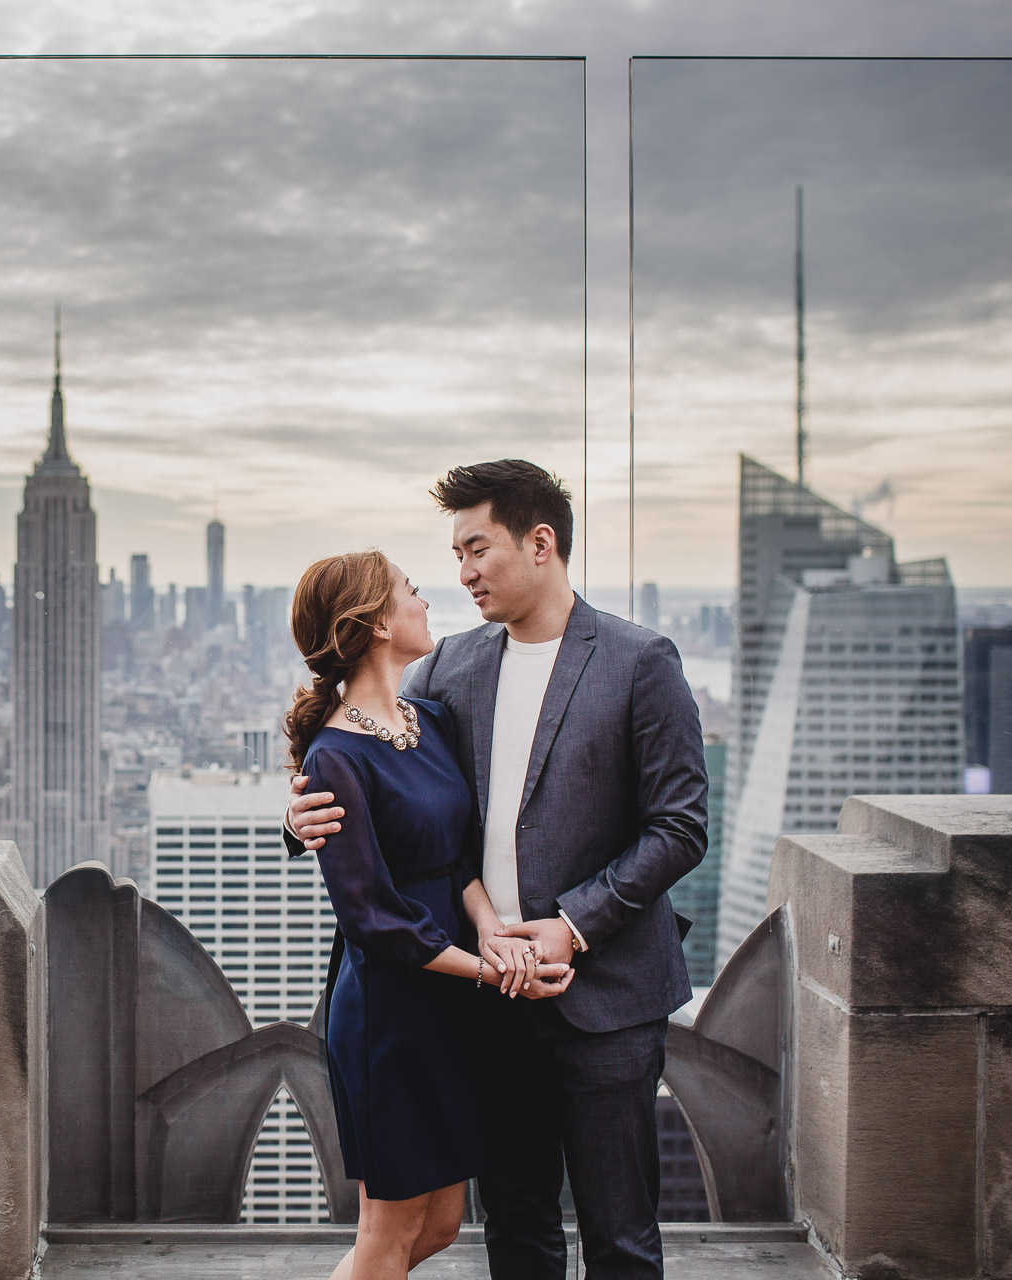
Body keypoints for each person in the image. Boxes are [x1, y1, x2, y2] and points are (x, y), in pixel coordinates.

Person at [287, 461, 708, 1280]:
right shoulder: (451, 670)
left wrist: (573, 923)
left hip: (611, 999)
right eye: (453, 556)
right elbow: (375, 766)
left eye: (477, 549)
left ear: (540, 542)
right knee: (515, 1231)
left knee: (621, 1240)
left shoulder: (638, 661)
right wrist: (296, 812)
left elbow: (681, 826)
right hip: (487, 1003)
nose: (462, 573)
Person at [284, 547, 574, 1280]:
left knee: (441, 1224)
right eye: (410, 591)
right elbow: (372, 918)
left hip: (448, 1001)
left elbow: (456, 862)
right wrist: (490, 972)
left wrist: (490, 935)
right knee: (388, 1232)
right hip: (390, 1014)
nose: (425, 600)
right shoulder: (334, 759)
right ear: (377, 623)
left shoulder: (432, 721)